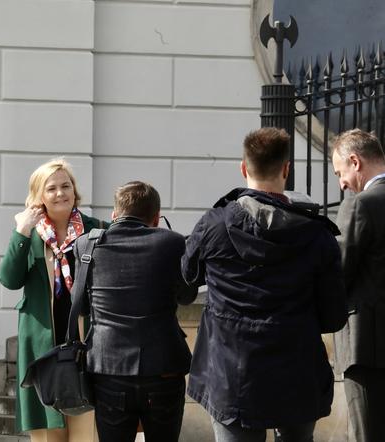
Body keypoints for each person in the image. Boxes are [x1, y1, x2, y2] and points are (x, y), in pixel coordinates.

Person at [181, 127, 347, 441]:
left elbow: (188, 276)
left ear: (244, 168)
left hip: (230, 375)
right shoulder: (318, 236)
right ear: (287, 169)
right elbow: (334, 317)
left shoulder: (213, 225)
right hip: (297, 373)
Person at [73, 181, 197, 442]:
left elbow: (82, 307)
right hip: (163, 369)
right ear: (156, 218)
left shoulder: (86, 244)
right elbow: (187, 297)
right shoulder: (173, 243)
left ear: (114, 215)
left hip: (109, 370)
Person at [0, 158, 106, 441]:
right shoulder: (30, 234)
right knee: (47, 432)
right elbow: (9, 279)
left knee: (86, 430)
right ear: (39, 196)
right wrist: (21, 231)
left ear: (74, 191)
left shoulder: (96, 230)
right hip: (43, 350)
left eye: (66, 186)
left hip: (86, 348)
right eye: (52, 188)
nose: (60, 193)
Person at [331, 128, 385, 442]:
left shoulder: (360, 204)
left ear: (355, 161)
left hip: (365, 348)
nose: (341, 182)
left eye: (340, 172)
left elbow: (338, 271)